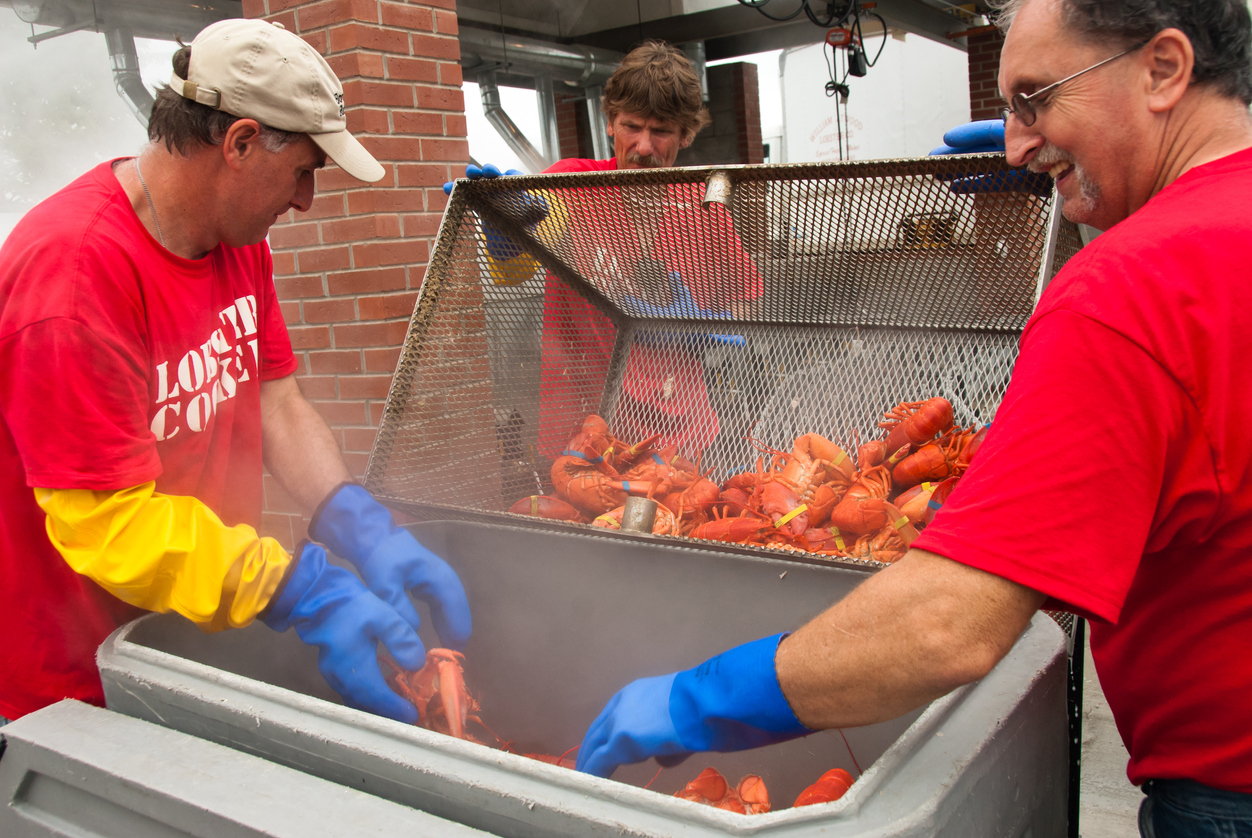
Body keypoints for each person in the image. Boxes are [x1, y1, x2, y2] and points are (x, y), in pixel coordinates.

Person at [574, 1, 1252, 835]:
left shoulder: (1128, 291)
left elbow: (946, 623)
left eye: (1036, 98)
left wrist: (698, 699)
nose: (1015, 145)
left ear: (1164, 70)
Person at [0, 19, 471, 726]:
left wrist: (352, 516)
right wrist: (298, 588)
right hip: (72, 688)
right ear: (241, 143)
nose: (306, 199)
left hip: (194, 631)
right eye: (304, 170)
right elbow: (108, 524)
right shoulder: (73, 275)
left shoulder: (236, 239)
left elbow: (274, 401)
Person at [449, 41, 764, 456]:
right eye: (632, 126)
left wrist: (699, 325)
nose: (644, 147)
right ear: (611, 123)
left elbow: (746, 303)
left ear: (686, 134)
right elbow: (516, 269)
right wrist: (509, 232)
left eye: (661, 131)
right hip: (583, 426)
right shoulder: (571, 183)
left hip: (679, 429)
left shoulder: (702, 205)